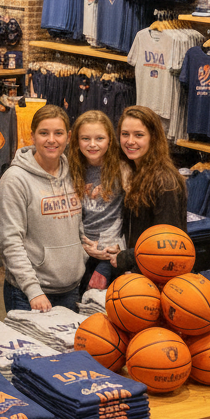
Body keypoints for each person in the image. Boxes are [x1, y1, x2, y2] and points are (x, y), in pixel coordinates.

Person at [0, 104, 86, 312]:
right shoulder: (16, 179)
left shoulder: (74, 173)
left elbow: (79, 227)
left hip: (71, 289)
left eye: (59, 133)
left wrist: (81, 259)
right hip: (30, 295)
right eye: (44, 133)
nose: (51, 140)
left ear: (69, 136)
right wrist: (33, 290)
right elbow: (10, 241)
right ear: (32, 136)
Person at [108, 106, 187, 275]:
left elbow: (165, 244)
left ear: (153, 138)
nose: (130, 141)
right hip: (138, 268)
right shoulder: (132, 172)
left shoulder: (164, 181)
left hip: (156, 274)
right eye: (125, 134)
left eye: (139, 135)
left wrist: (125, 257)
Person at [68, 110, 125, 294]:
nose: (92, 144)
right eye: (85, 138)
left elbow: (131, 215)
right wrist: (82, 246)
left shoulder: (122, 168)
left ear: (110, 139)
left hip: (111, 251)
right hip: (79, 250)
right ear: (76, 140)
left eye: (99, 138)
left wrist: (117, 247)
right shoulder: (69, 168)